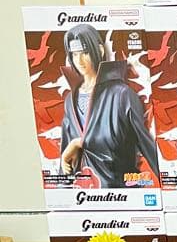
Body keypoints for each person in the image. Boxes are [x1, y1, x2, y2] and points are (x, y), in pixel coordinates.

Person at [60, 23, 159, 189]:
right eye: (74, 54)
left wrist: (80, 142)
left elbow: (142, 144)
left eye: (85, 52)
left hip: (119, 188)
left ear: (99, 50)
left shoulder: (122, 94)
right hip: (83, 191)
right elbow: (65, 156)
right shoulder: (71, 99)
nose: (80, 60)